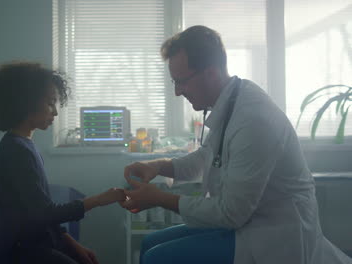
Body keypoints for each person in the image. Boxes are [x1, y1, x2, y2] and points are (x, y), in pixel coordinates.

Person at [120, 25, 352, 264]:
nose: (178, 92)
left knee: (157, 258)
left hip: (274, 234)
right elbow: (207, 158)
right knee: (150, 244)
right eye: (174, 82)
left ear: (210, 73)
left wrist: (159, 198)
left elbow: (231, 213)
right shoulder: (231, 102)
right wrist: (158, 166)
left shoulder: (253, 119)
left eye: (182, 82)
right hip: (249, 222)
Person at [0, 62, 126, 264]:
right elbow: (45, 214)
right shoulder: (15, 151)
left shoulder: (25, 145)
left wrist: (74, 245)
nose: (55, 112)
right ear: (27, 102)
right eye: (50, 103)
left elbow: (41, 214)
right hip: (18, 252)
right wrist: (98, 200)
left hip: (36, 243)